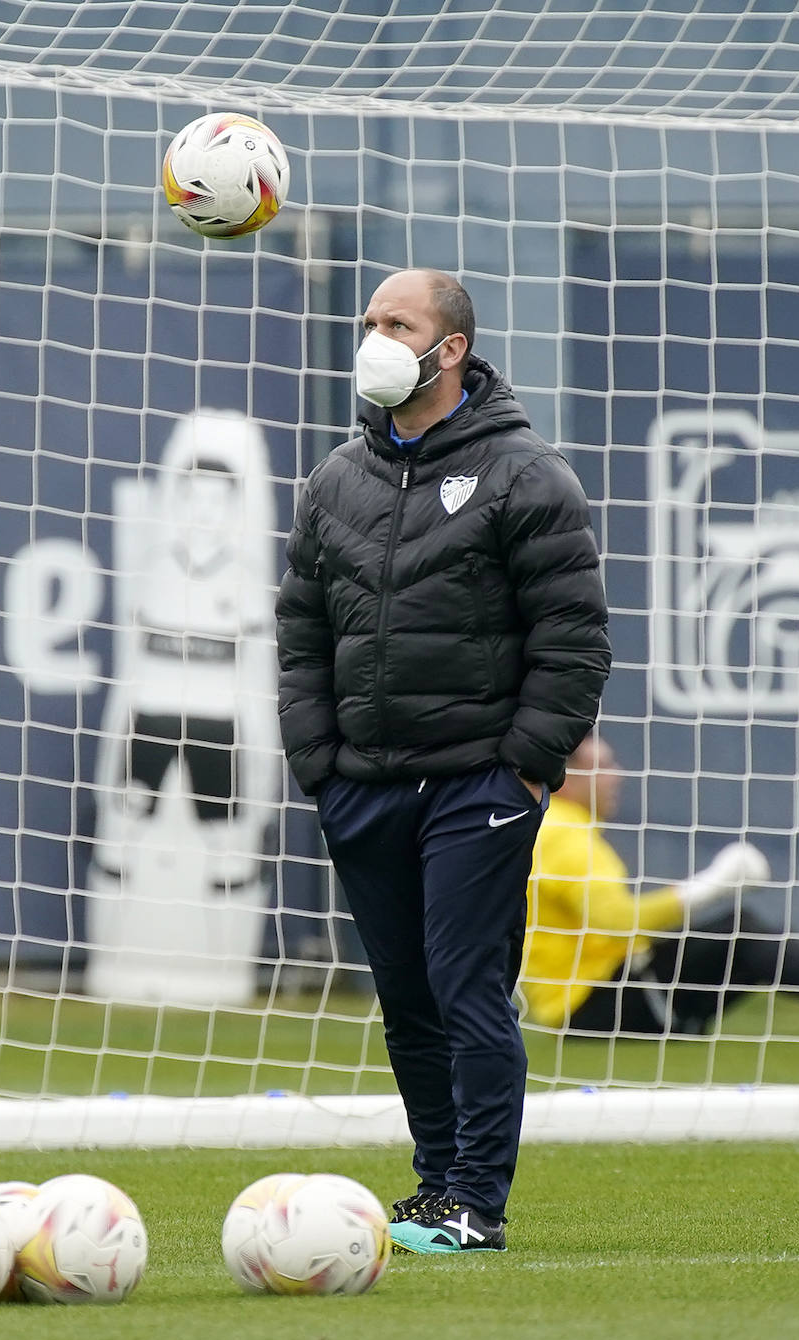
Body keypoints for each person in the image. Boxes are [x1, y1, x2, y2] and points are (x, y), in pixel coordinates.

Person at [275, 269, 610, 1254]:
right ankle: (432, 1187)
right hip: (361, 782)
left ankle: (475, 1200)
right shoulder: (335, 476)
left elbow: (573, 634)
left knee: (466, 981)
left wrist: (526, 765)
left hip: (478, 780)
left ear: (449, 347)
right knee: (407, 994)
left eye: (398, 323)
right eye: (369, 320)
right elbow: (299, 630)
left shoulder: (523, 472)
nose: (375, 336)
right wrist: (318, 763)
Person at [521, 732, 799, 1036]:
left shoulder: (560, 827)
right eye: (604, 767)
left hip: (603, 996)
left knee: (755, 942)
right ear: (566, 777)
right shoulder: (563, 833)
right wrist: (713, 883)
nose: (617, 775)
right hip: (592, 1009)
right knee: (742, 932)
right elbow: (618, 921)